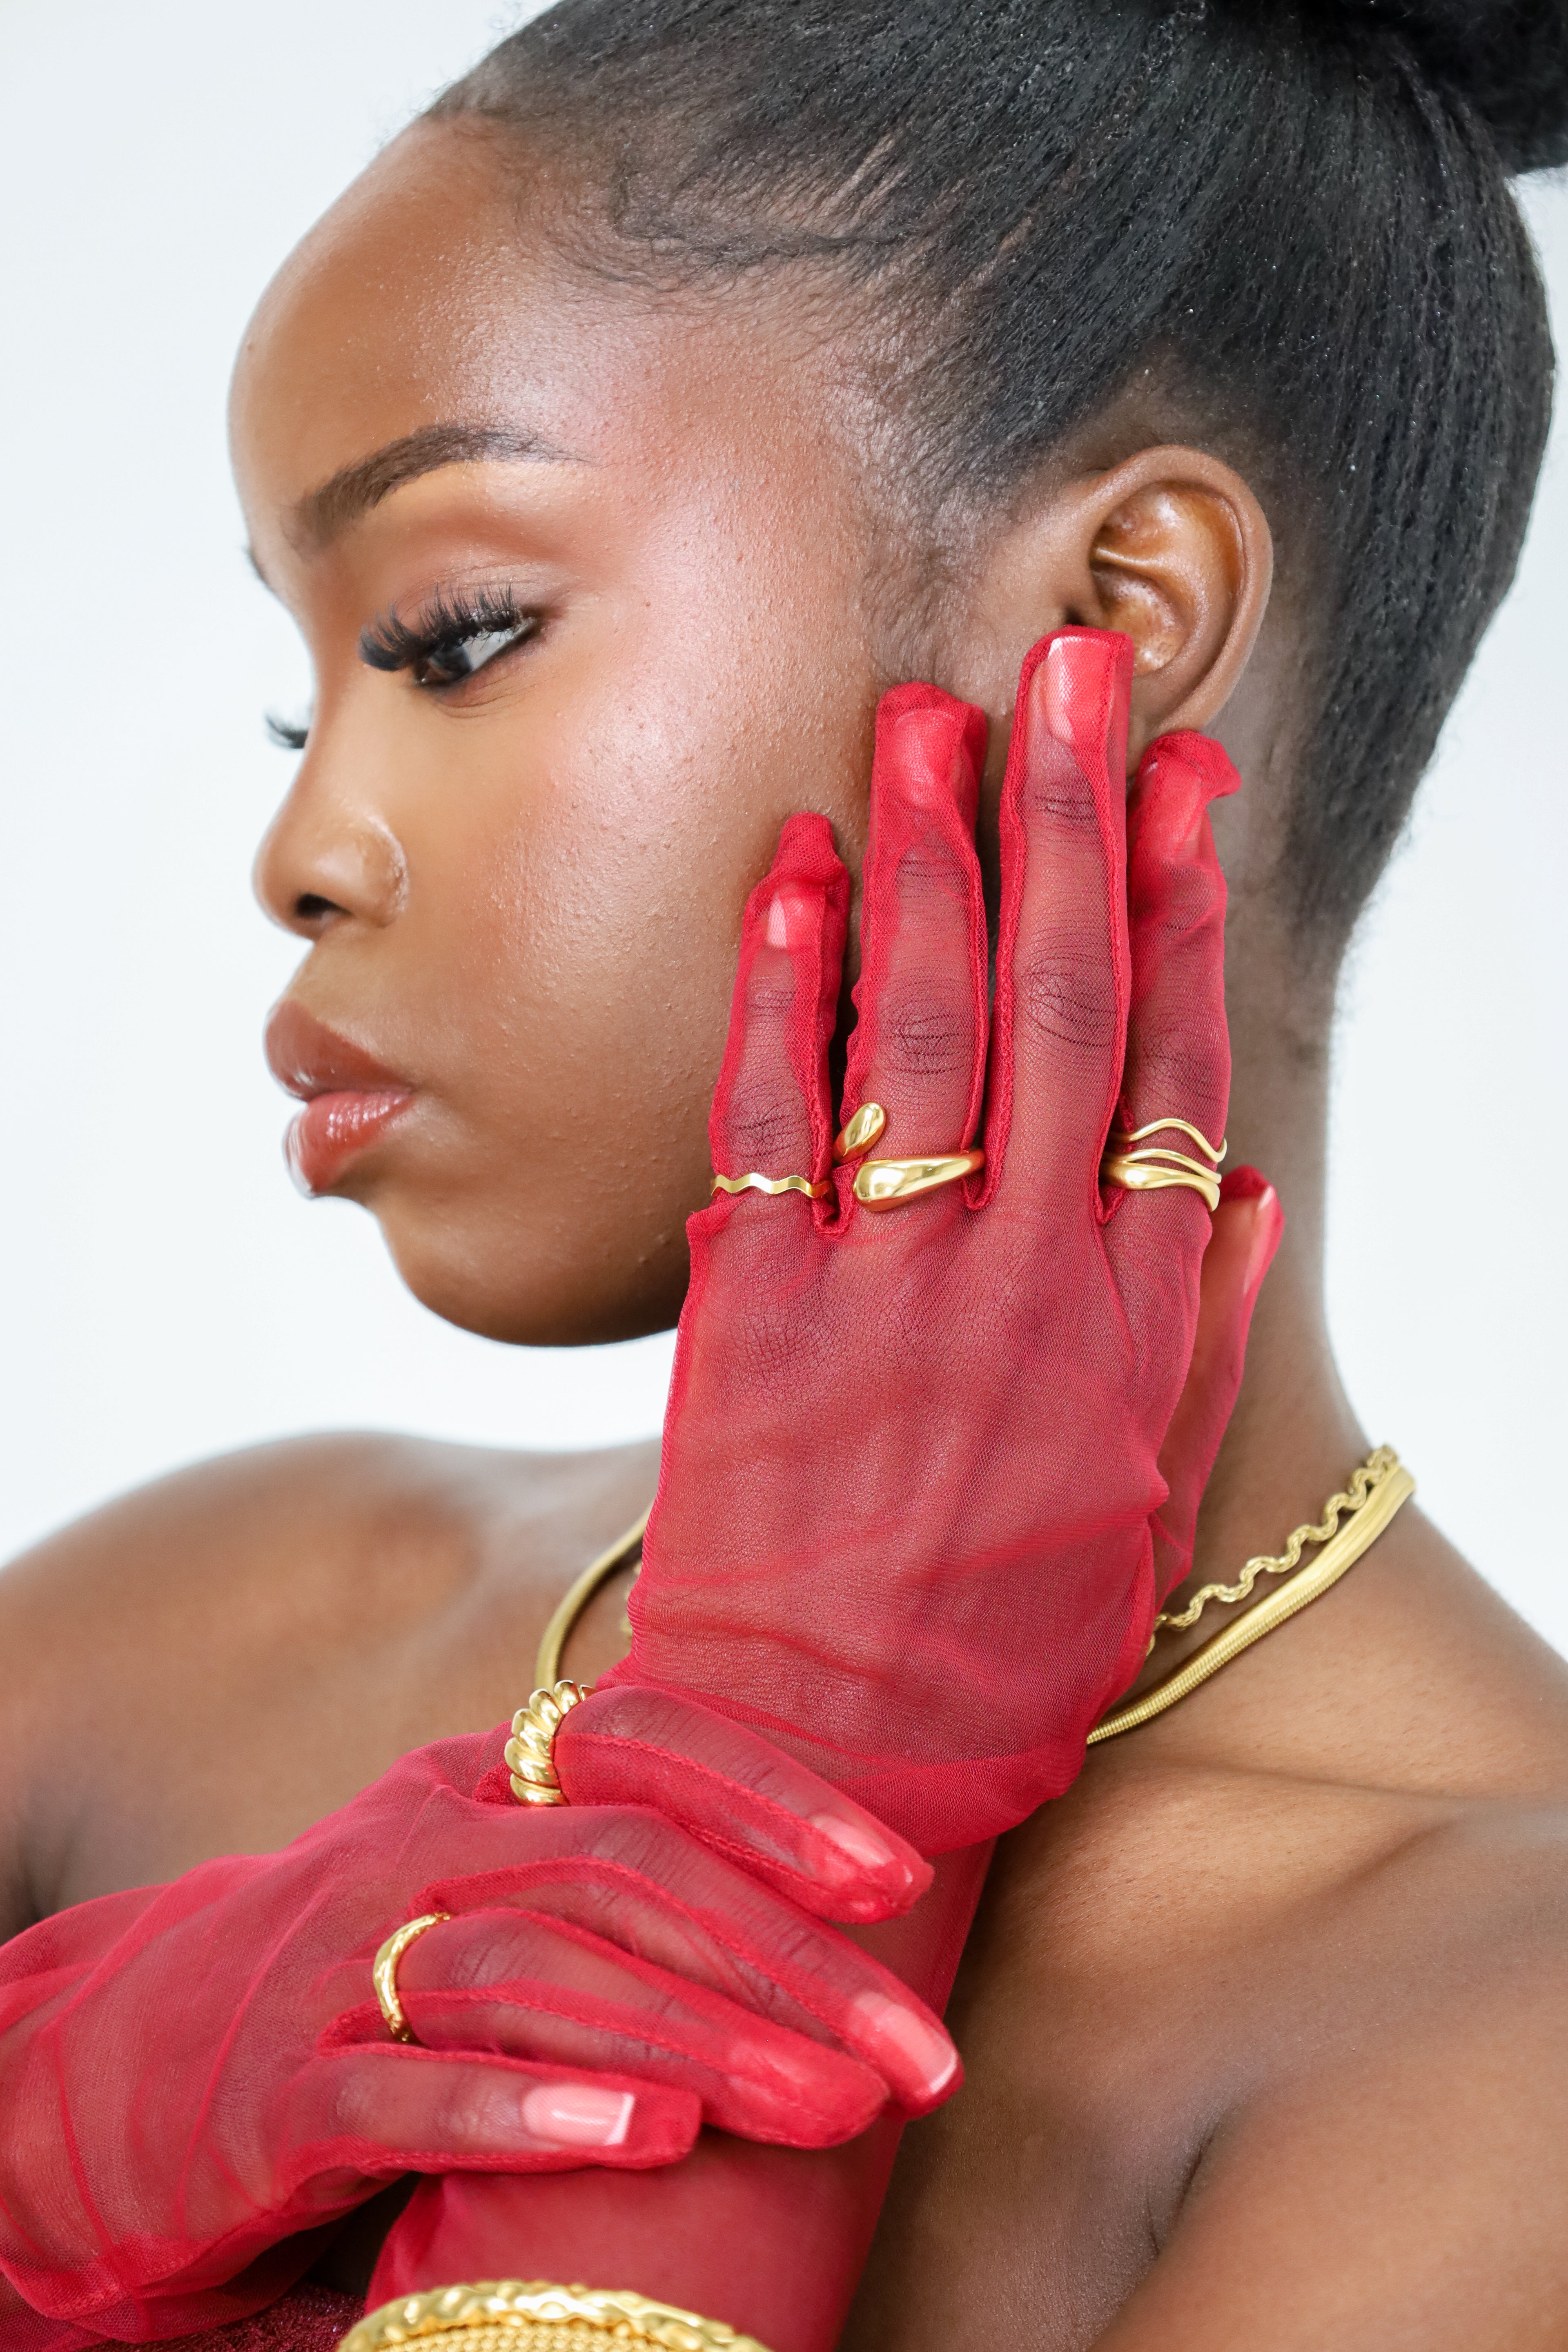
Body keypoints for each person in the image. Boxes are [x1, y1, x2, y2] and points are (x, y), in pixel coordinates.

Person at [4, 1, 1568, 2346]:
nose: (302, 848)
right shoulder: (192, 1622)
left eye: (456, 636)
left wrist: (765, 1781)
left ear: (1115, 626)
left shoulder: (1495, 2054)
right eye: (295, 692)